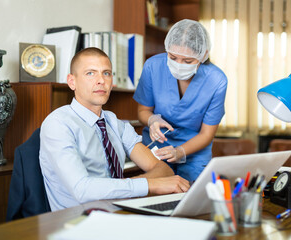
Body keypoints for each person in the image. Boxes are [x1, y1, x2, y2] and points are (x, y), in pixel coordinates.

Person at [39, 47, 190, 211]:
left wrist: (127, 189)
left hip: (119, 211)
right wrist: (149, 184)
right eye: (90, 73)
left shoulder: (114, 122)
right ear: (71, 81)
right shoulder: (58, 124)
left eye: (106, 73)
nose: (101, 80)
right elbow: (82, 189)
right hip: (77, 220)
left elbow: (163, 170)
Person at [133, 19, 228, 182]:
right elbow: (143, 111)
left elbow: (207, 134)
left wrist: (180, 151)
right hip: (156, 148)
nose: (178, 65)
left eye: (188, 61)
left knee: (192, 200)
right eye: (173, 57)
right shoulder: (153, 66)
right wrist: (152, 120)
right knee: (156, 197)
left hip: (194, 153)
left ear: (203, 55)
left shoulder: (216, 80)